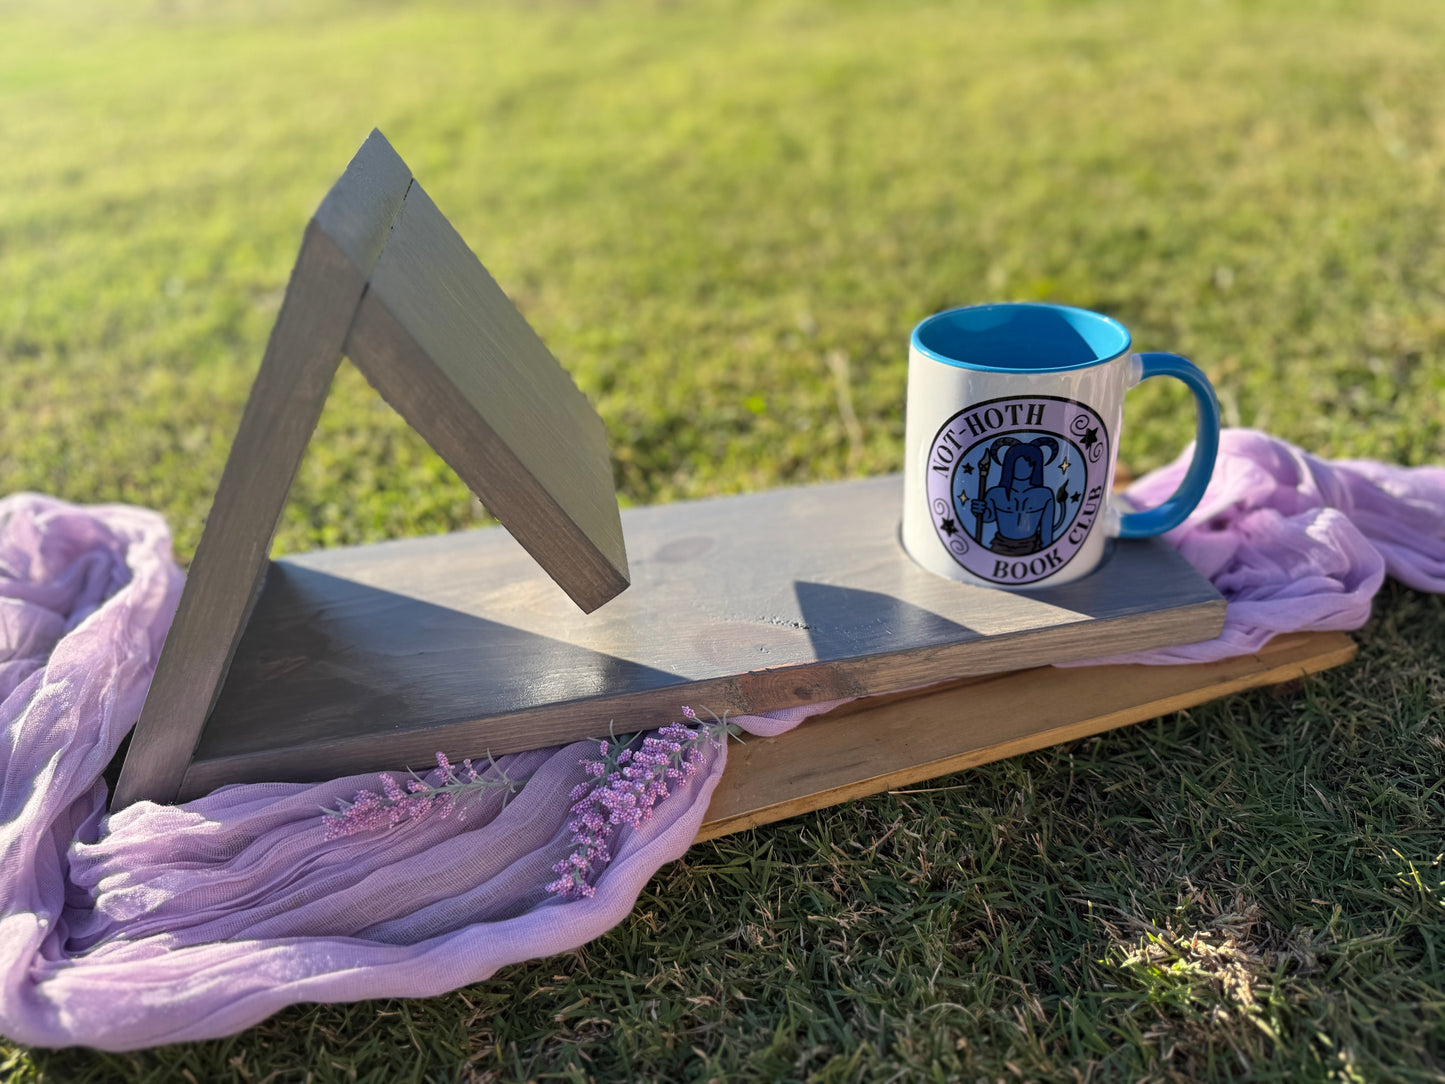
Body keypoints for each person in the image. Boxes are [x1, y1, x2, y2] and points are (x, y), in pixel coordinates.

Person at [969, 442, 1059, 555]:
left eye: (1029, 464)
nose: (1023, 468)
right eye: (1018, 463)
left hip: (1032, 547)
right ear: (1010, 465)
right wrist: (979, 510)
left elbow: (1046, 532)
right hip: (1000, 546)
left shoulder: (1045, 495)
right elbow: (988, 517)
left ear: (1036, 467)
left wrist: (1047, 554)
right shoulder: (996, 493)